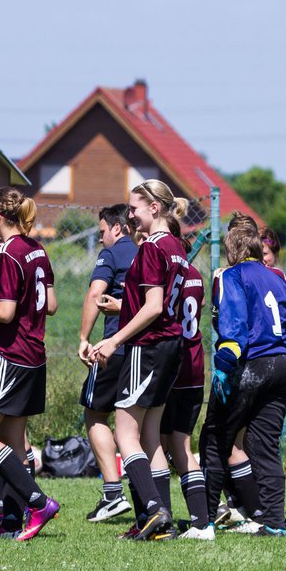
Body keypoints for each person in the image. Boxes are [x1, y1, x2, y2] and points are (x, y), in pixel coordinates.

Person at [88, 179, 189, 542]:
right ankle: (160, 523)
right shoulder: (176, 246)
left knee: (124, 433)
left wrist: (114, 339)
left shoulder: (151, 249)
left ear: (155, 208)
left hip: (148, 347)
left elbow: (154, 307)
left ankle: (154, 510)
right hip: (171, 346)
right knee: (150, 437)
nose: (130, 214)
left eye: (134, 208)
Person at [0, 187, 60, 542]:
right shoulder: (37, 249)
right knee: (13, 443)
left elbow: (4, 312)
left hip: (9, 355)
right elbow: (50, 305)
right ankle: (9, 524)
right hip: (33, 354)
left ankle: (38, 501)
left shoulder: (7, 254)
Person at [203, 215, 286, 536]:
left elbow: (234, 328)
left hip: (253, 364)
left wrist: (224, 366)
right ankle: (272, 522)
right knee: (264, 443)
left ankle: (204, 519)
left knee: (215, 437)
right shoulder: (278, 277)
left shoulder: (233, 274)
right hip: (284, 364)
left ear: (232, 251)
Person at [77, 204, 137, 522]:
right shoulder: (145, 252)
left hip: (112, 348)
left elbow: (94, 295)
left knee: (95, 413)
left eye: (102, 232)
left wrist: (84, 339)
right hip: (144, 352)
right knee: (134, 424)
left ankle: (113, 494)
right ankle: (148, 499)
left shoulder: (113, 254)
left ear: (116, 228)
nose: (101, 239)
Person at [159, 243, 211, 539]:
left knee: (156, 443)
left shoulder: (171, 274)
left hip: (172, 366)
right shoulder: (195, 274)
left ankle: (161, 517)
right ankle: (200, 520)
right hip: (195, 365)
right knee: (181, 444)